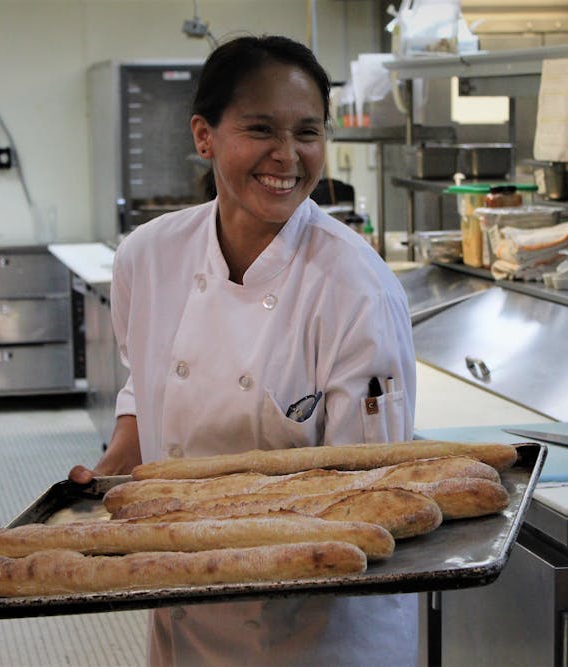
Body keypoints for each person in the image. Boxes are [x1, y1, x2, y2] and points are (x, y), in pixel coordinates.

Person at [70, 34, 417, 666]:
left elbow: (373, 491)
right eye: (260, 129)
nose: (287, 156)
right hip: (177, 595)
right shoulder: (148, 256)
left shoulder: (356, 289)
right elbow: (142, 377)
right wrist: (121, 454)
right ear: (205, 136)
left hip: (311, 624)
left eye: (308, 132)